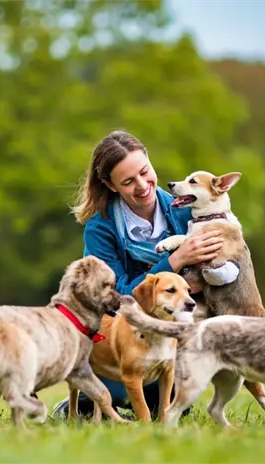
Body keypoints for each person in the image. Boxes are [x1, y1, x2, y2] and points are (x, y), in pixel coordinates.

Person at [50, 129, 231, 420]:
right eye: (128, 182)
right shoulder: (100, 228)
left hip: (176, 330)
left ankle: (157, 395)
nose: (143, 186)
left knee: (174, 401)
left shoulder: (188, 209)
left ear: (149, 160)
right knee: (118, 389)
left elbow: (223, 269)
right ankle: (86, 398)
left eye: (145, 172)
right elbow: (113, 298)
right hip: (123, 336)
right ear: (110, 185)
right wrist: (176, 260)